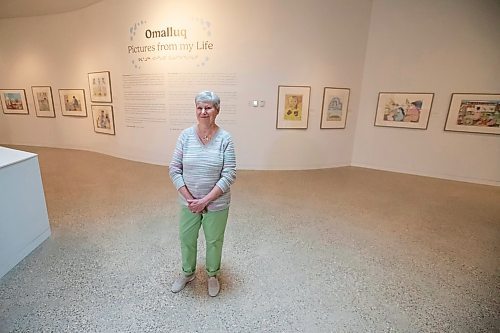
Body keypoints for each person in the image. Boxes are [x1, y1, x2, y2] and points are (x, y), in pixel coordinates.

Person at [169, 91, 236, 297]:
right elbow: (174, 168)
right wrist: (191, 199)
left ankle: (212, 274)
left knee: (214, 240)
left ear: (217, 110)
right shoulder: (185, 136)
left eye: (208, 107)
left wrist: (205, 200)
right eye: (199, 107)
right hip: (189, 202)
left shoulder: (225, 138)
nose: (203, 111)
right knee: (186, 238)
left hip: (216, 203)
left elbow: (229, 174)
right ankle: (188, 273)